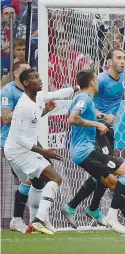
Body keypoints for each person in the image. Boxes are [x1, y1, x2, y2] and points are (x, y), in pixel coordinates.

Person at [62, 49, 125, 227]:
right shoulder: (101, 81)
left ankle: (85, 207)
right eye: (118, 58)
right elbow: (83, 106)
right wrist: (101, 118)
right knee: (113, 173)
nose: (123, 61)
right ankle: (121, 216)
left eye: (124, 58)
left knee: (103, 174)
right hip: (98, 133)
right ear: (109, 62)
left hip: (108, 130)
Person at [4, 69, 79, 235]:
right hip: (19, 151)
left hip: (18, 149)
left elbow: (57, 94)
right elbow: (20, 139)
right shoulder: (23, 106)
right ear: (25, 83)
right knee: (55, 178)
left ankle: (25, 221)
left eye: (38, 76)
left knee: (33, 183)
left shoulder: (38, 97)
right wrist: (44, 151)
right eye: (34, 77)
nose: (39, 79)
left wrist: (78, 87)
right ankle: (39, 220)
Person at [1, 61, 31, 233]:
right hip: (12, 142)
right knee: (30, 178)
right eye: (25, 71)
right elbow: (6, 118)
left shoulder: (32, 91)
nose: (30, 73)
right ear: (16, 74)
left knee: (45, 176)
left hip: (30, 140)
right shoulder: (7, 91)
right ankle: (18, 219)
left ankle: (36, 219)